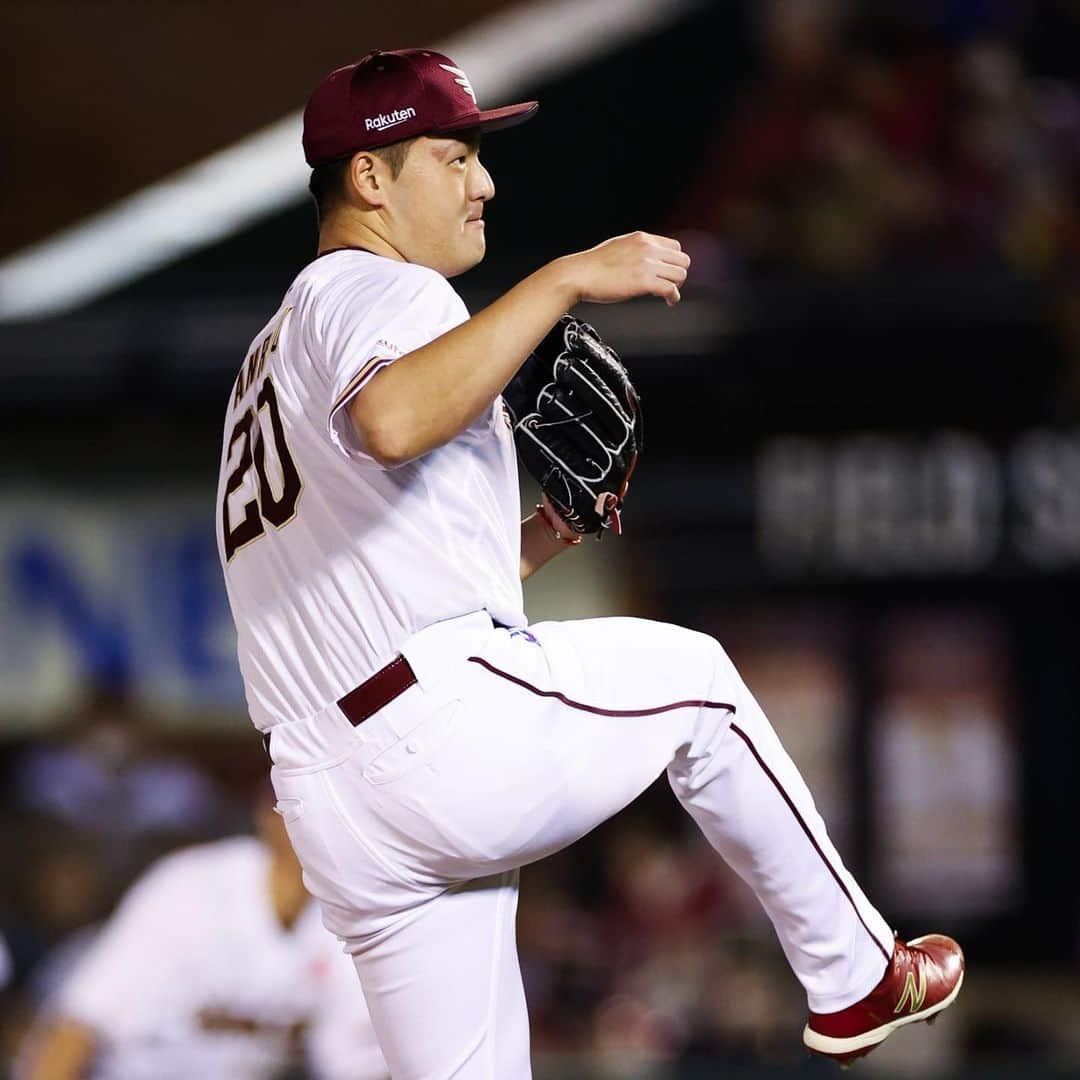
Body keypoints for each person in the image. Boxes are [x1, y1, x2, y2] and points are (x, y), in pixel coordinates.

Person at [216, 48, 964, 1077]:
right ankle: (858, 978)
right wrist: (563, 280)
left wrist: (546, 535)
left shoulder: (272, 360)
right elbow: (392, 420)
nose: (482, 182)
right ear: (371, 177)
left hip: (336, 799)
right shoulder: (377, 288)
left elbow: (387, 579)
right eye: (452, 155)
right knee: (698, 684)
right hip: (431, 740)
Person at [19, 788, 387, 1079]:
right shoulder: (191, 888)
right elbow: (76, 1029)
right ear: (269, 817)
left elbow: (357, 1066)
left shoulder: (356, 910)